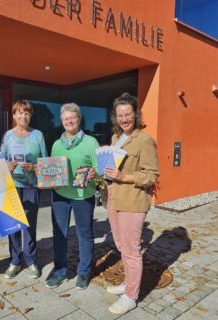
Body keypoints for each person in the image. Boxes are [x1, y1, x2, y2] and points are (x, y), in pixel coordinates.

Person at [104, 93, 159, 315]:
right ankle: (129, 283)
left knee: (132, 250)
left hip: (133, 201)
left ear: (136, 115)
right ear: (115, 117)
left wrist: (123, 177)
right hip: (115, 199)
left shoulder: (144, 140)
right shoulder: (117, 138)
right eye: (120, 115)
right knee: (121, 246)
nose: (124, 119)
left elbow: (152, 175)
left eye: (128, 114)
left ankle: (131, 297)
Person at [46, 103, 99, 290]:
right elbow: (52, 170)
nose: (69, 121)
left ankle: (84, 273)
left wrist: (94, 173)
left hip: (83, 196)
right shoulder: (56, 144)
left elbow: (99, 169)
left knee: (84, 235)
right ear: (61, 121)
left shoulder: (91, 142)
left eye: (72, 117)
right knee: (59, 235)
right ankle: (60, 271)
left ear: (79, 119)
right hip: (60, 196)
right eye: (65, 118)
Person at [0, 100, 47, 279]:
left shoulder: (38, 135)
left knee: (29, 224)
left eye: (27, 113)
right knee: (13, 225)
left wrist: (34, 167)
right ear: (13, 115)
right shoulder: (8, 136)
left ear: (30, 115)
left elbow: (46, 163)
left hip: (31, 187)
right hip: (12, 186)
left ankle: (31, 260)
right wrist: (8, 167)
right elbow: (0, 162)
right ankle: (14, 261)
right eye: (19, 112)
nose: (23, 116)